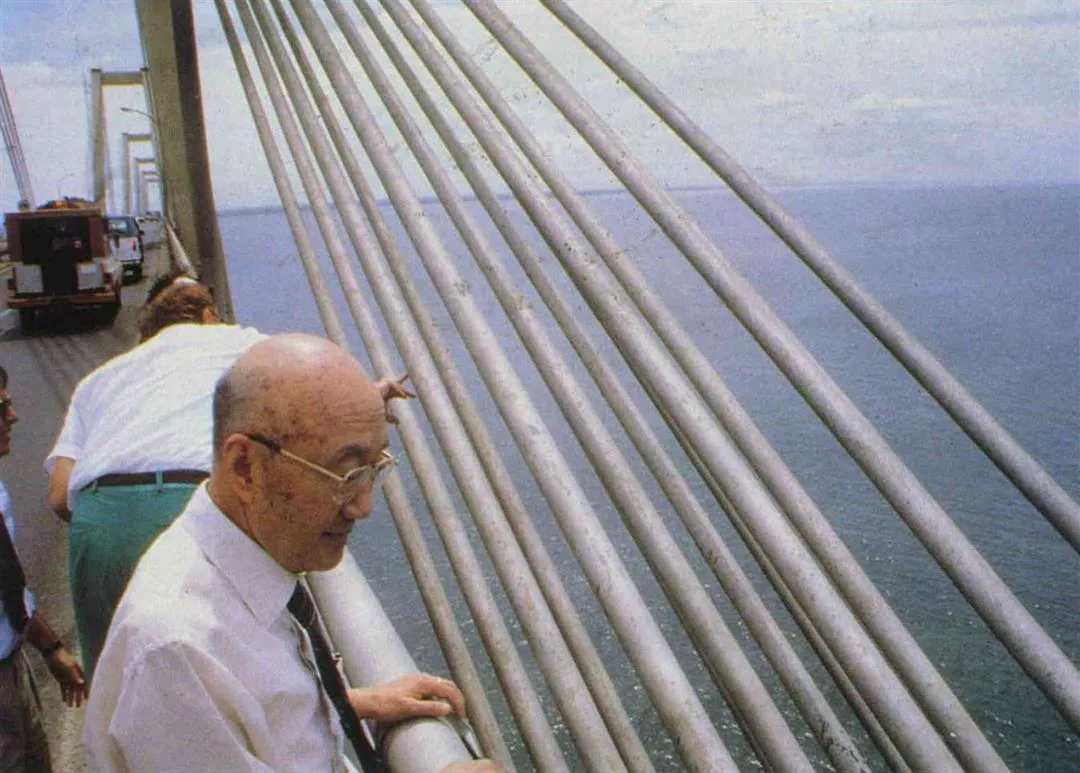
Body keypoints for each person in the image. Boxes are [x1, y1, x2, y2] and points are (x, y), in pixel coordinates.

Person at [84, 334, 495, 773]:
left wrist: (346, 702)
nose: (364, 505)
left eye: (374, 469)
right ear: (245, 467)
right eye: (347, 475)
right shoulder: (176, 650)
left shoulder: (247, 571)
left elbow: (254, 713)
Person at [44, 271, 267, 683]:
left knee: (116, 689)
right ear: (209, 316)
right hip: (190, 503)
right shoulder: (231, 340)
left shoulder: (99, 378)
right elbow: (303, 377)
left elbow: (59, 496)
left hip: (98, 523)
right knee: (226, 679)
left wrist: (123, 521)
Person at [0, 364, 87, 773]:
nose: (13, 416)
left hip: (12, 659)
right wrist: (52, 648)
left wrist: (48, 648)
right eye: (1, 408)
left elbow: (10, 583)